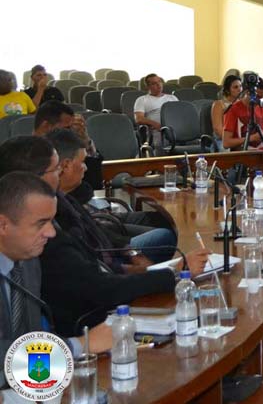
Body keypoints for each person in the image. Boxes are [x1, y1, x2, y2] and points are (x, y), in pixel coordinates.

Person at [0, 136, 210, 335]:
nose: (50, 231)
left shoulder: (59, 208)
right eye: (56, 169)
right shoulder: (42, 245)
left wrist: (148, 266)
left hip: (100, 298)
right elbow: (100, 288)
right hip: (90, 322)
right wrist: (173, 274)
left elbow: (97, 254)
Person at [0, 171, 112, 390]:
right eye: (41, 223)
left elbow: (29, 341)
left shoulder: (28, 261)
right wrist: (80, 345)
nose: (51, 233)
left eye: (51, 221)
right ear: (3, 225)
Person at [46, 129, 177, 264]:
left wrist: (130, 251)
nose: (85, 168)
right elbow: (90, 259)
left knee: (163, 221)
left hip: (109, 240)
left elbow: (96, 228)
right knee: (165, 236)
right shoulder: (55, 206)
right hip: (106, 256)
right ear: (65, 166)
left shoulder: (67, 198)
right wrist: (130, 264)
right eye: (83, 162)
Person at [133, 73, 178, 154]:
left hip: (176, 128)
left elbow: (180, 114)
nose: (159, 85)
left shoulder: (172, 98)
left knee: (193, 141)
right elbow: (139, 118)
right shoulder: (142, 100)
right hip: (158, 131)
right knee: (162, 143)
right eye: (154, 83)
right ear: (148, 87)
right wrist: (156, 124)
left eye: (159, 81)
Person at [223, 85, 263, 151]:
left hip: (262, 151)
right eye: (258, 97)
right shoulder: (233, 110)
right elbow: (226, 143)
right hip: (242, 152)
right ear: (248, 93)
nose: (260, 101)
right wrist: (251, 138)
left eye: (262, 97)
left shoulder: (261, 108)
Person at [212, 74, 242, 151]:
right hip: (222, 140)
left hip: (240, 138)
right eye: (235, 87)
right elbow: (218, 129)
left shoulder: (242, 104)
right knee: (226, 150)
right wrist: (233, 141)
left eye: (240, 86)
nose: (240, 89)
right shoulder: (219, 104)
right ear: (228, 90)